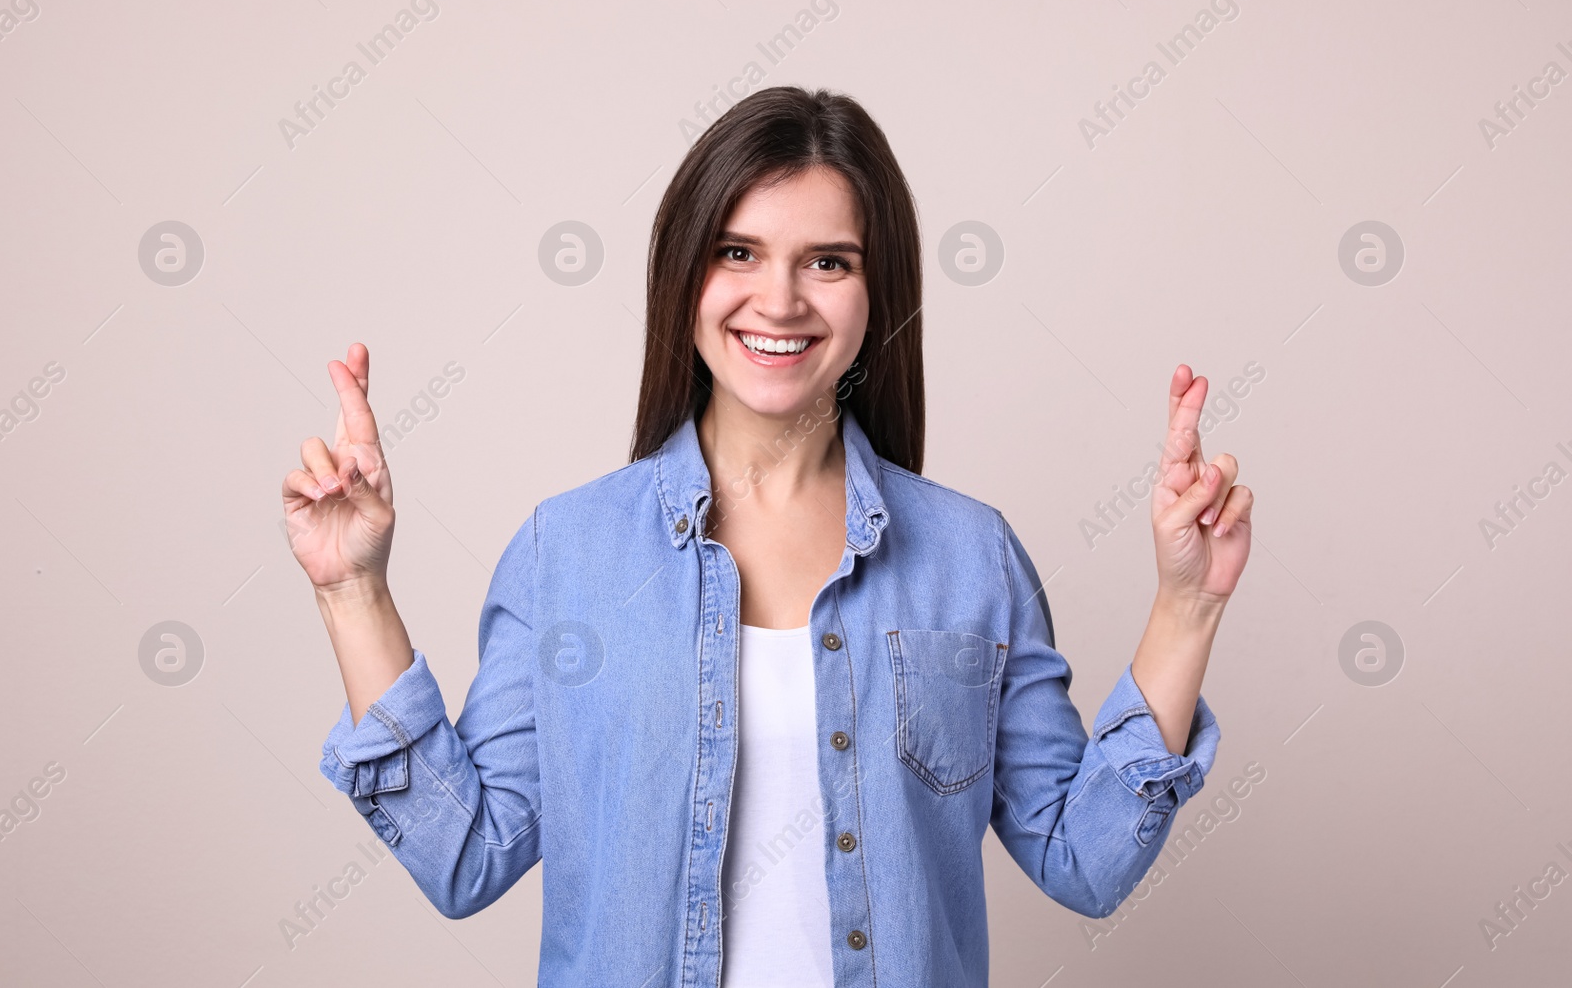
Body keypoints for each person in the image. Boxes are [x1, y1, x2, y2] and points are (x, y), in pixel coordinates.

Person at [282, 85, 1253, 988]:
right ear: (684, 274)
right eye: (737, 252)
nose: (779, 299)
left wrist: (1187, 603)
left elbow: (1082, 858)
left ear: (878, 291)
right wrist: (350, 589)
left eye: (827, 260)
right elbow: (466, 855)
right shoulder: (567, 552)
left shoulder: (970, 557)